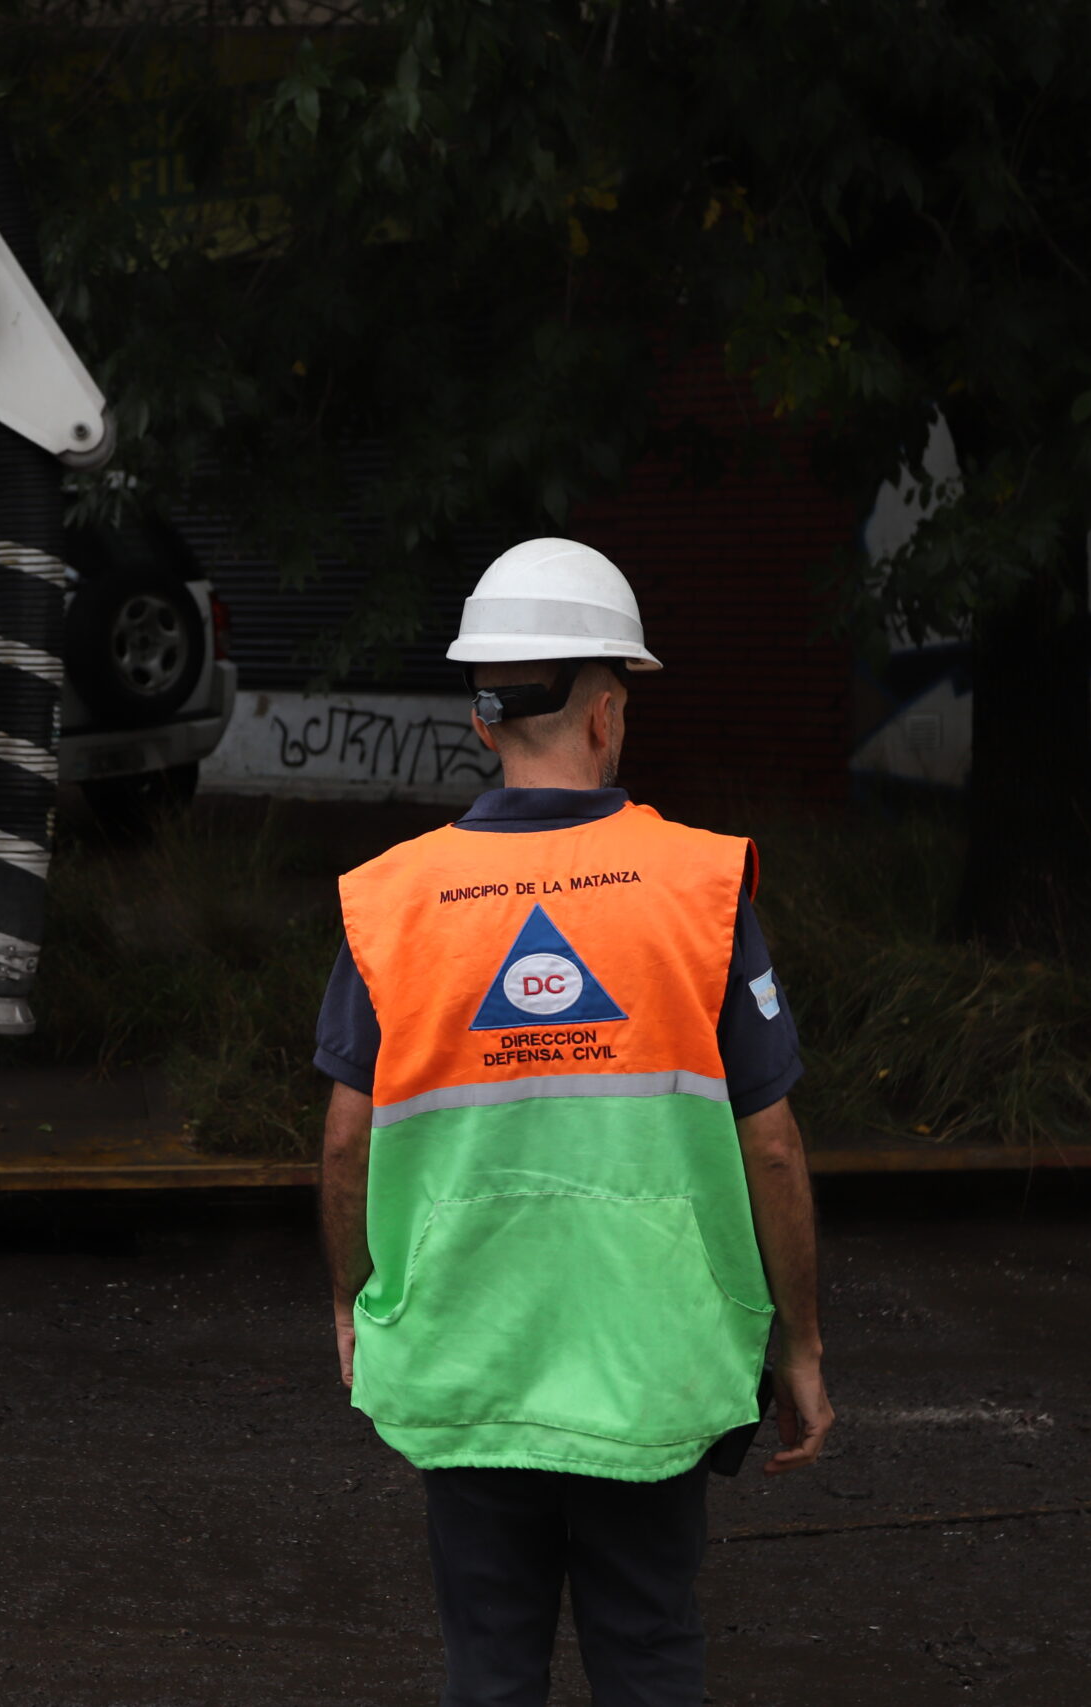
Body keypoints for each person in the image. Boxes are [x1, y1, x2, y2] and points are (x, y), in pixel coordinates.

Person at [315, 538, 834, 1707]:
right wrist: (796, 1344)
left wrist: (353, 1299)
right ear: (604, 714)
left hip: (468, 1357)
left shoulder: (389, 900)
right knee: (647, 1654)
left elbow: (348, 1144)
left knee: (491, 1666)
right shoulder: (697, 886)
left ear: (481, 717)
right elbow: (771, 1142)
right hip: (650, 1365)